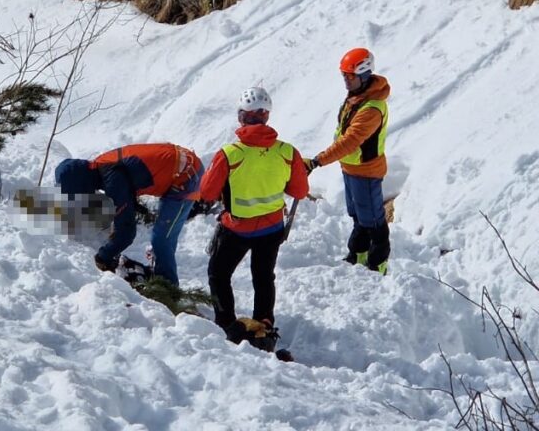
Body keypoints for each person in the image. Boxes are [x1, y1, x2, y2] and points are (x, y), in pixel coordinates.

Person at [200, 87, 309, 351]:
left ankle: (226, 323)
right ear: (266, 117)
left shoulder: (229, 154)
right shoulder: (287, 152)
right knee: (263, 277)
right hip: (271, 228)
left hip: (236, 228)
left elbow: (207, 192)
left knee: (219, 273)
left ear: (241, 117)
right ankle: (264, 324)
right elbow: (300, 191)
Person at [55, 143, 204, 286]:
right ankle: (162, 275)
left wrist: (104, 256)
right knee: (164, 235)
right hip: (182, 161)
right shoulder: (102, 164)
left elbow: (126, 232)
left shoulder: (112, 180)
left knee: (162, 238)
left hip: (186, 175)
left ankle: (168, 287)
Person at [305, 47, 390, 274]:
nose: (345, 80)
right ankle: (358, 255)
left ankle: (378, 265)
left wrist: (317, 162)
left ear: (363, 74)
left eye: (350, 76)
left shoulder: (371, 109)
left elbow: (350, 142)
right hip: (351, 169)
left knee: (373, 221)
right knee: (358, 216)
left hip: (367, 171)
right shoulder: (356, 98)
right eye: (343, 75)